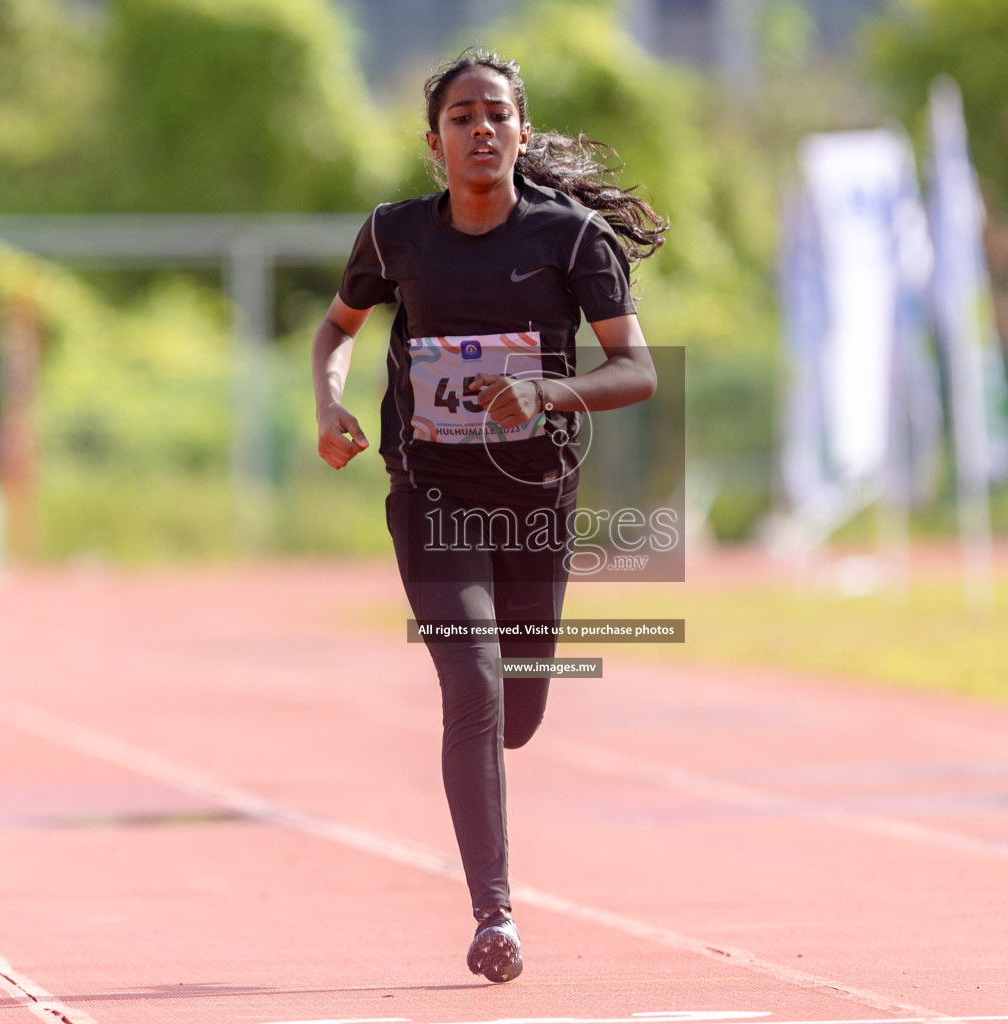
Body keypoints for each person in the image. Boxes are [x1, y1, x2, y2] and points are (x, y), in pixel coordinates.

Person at [311, 49, 665, 983]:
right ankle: (494, 913)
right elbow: (337, 331)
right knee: (471, 685)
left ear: (519, 132)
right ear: (437, 144)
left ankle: (502, 753)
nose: (481, 129)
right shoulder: (395, 237)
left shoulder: (572, 239)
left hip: (534, 504)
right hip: (429, 493)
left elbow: (638, 371)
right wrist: (330, 405)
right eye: (462, 116)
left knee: (517, 710)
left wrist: (547, 394)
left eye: (497, 114)